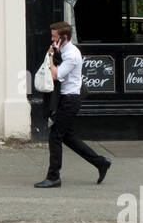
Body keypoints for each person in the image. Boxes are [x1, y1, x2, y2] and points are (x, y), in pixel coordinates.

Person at [35, 21, 110, 188]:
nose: (51, 38)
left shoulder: (72, 55)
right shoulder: (60, 50)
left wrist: (51, 59)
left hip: (70, 100)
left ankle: (54, 176)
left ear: (64, 37)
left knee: (55, 136)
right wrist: (53, 53)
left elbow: (56, 75)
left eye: (54, 36)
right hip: (63, 98)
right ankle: (100, 162)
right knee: (67, 137)